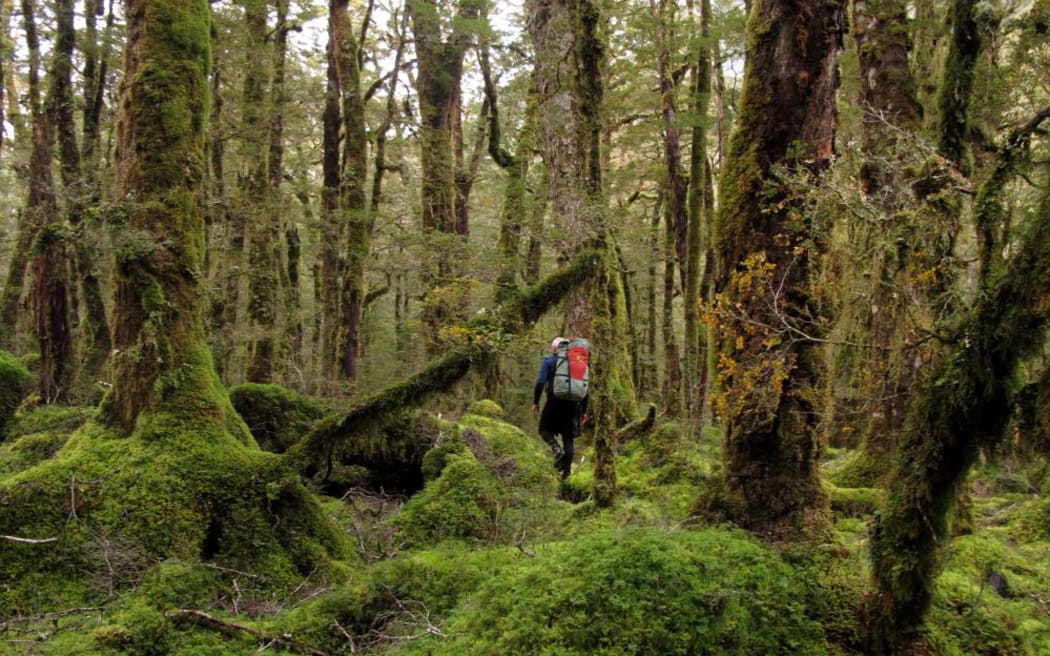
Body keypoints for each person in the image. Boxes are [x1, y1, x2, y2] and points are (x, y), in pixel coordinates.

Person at [532, 337, 589, 479]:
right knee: (568, 439)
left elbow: (540, 382)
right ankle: (567, 474)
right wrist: (583, 411)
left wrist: (536, 402)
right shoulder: (578, 363)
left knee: (544, 430)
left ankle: (556, 448)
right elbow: (585, 388)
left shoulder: (549, 361)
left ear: (554, 348)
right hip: (573, 406)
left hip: (554, 403)